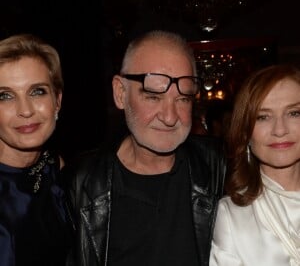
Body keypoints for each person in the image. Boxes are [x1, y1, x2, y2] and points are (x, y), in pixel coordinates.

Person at [66, 30, 226, 266]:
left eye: (183, 99)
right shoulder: (82, 182)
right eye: (153, 96)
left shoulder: (222, 167)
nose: (170, 117)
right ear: (121, 93)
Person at [209, 63, 300, 266]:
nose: (280, 129)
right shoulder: (231, 216)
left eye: (294, 113)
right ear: (245, 133)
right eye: (263, 117)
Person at [0, 34, 72, 266]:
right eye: (5, 96)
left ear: (57, 100)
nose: (25, 110)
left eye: (37, 91)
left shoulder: (55, 167)